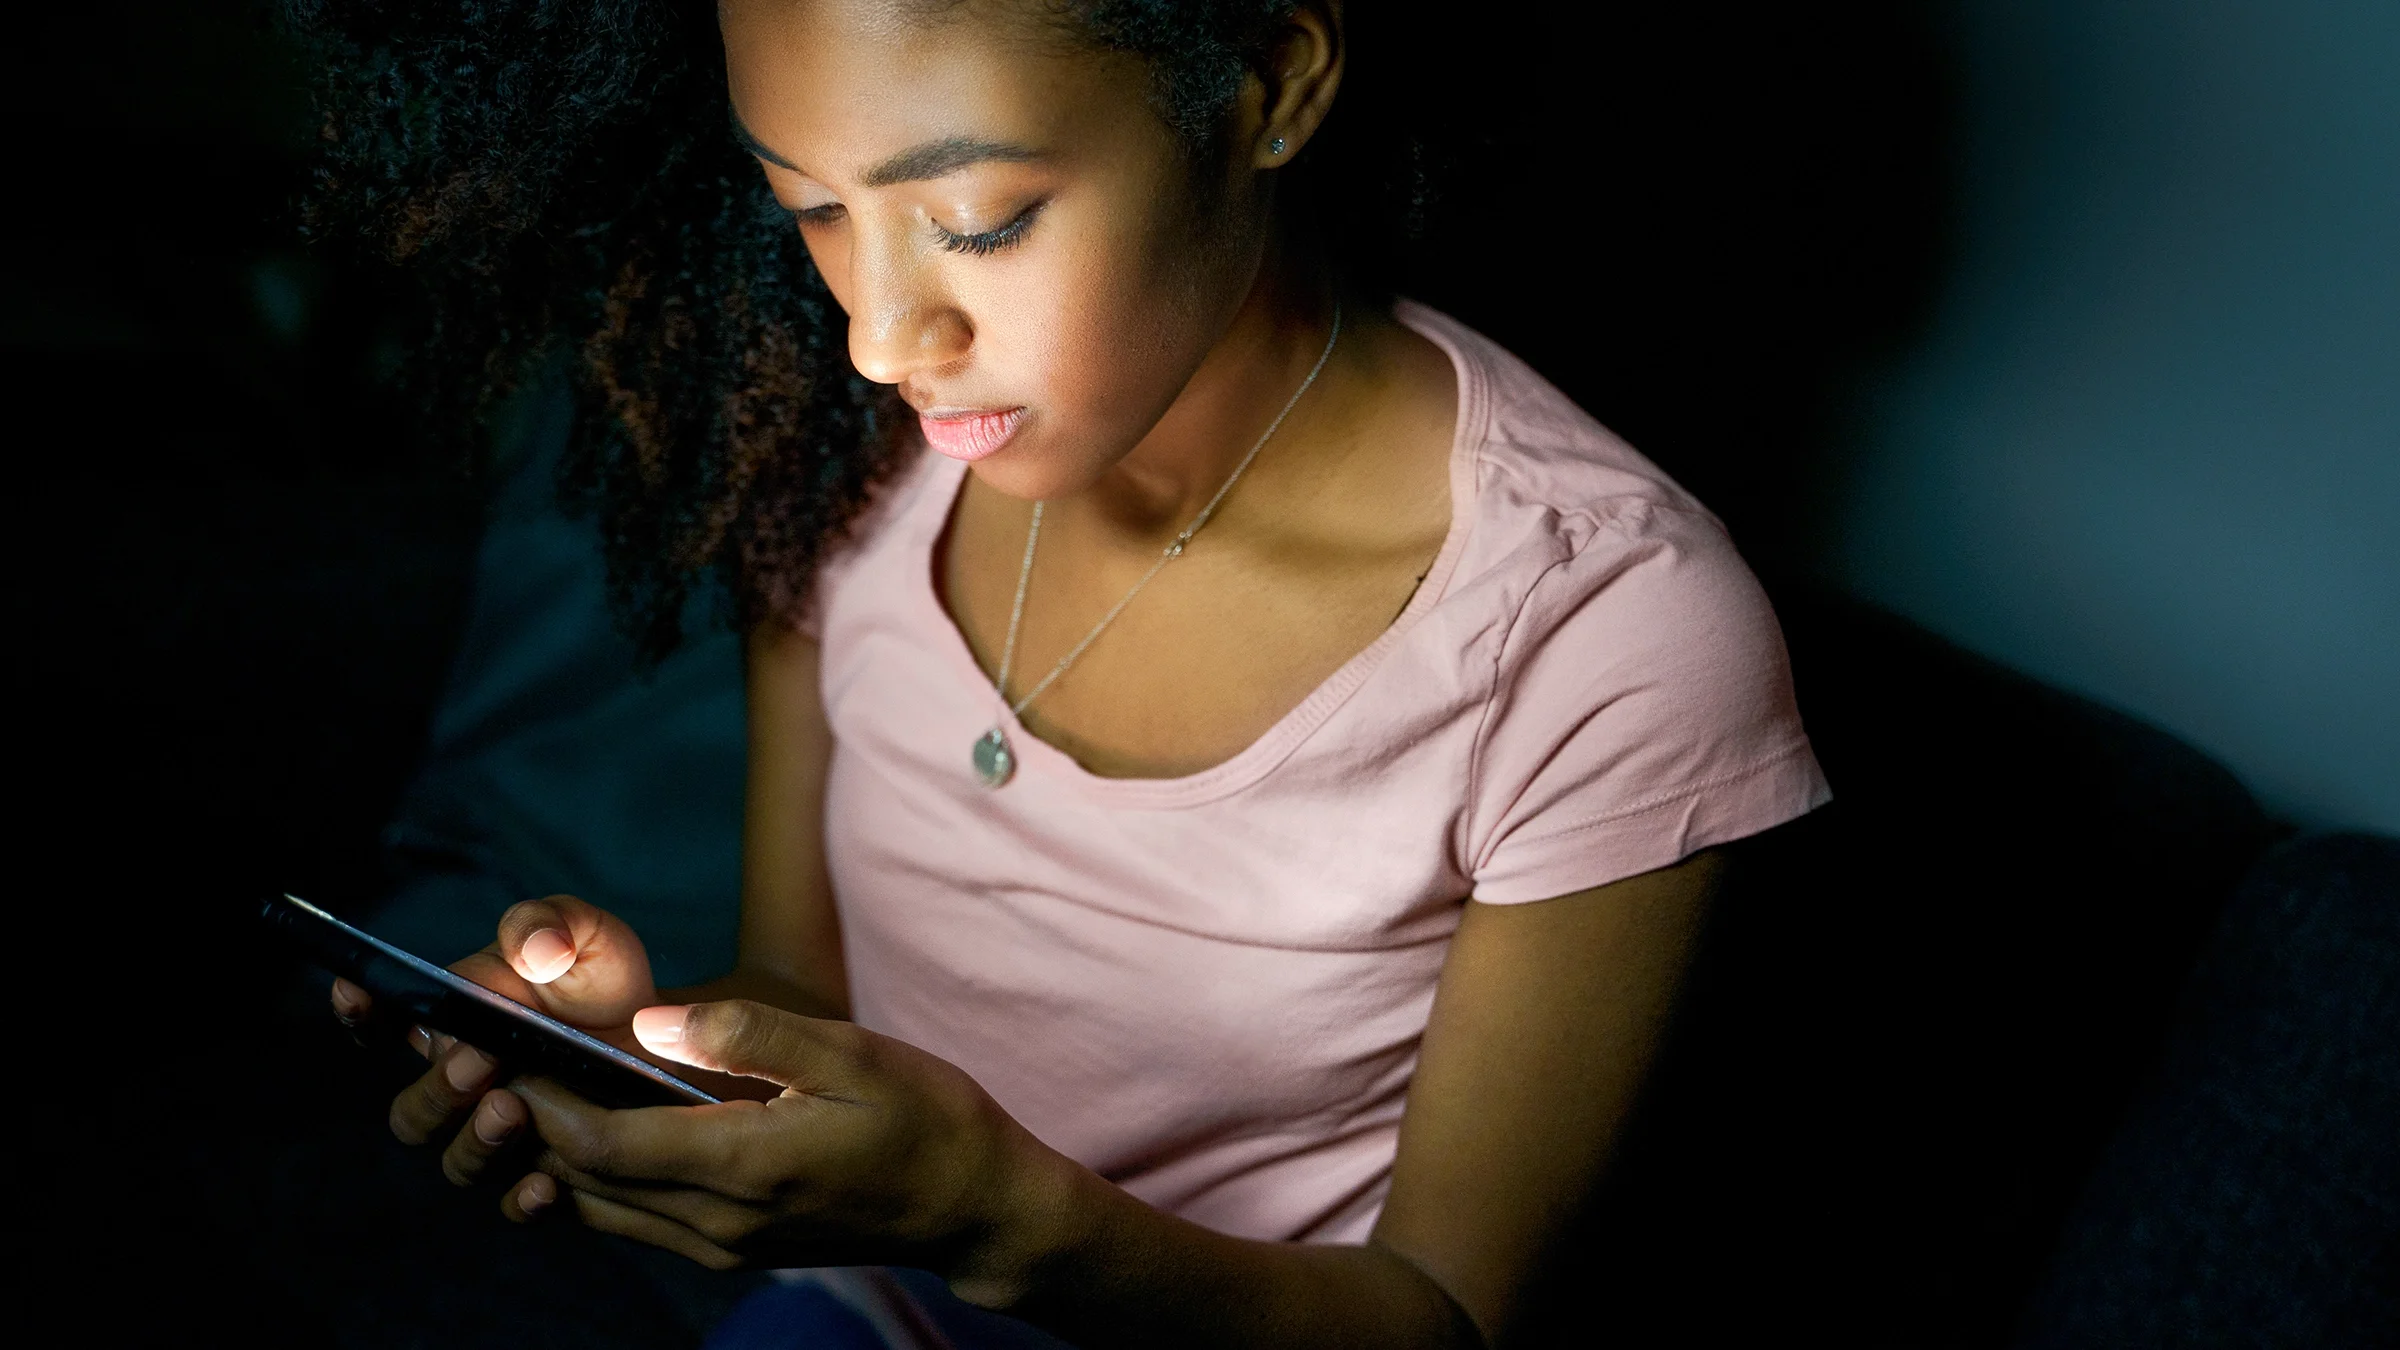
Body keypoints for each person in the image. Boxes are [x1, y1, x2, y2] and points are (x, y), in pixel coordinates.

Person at [311, 2, 1829, 1344]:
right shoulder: (840, 473)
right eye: (811, 210)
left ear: (1271, 86)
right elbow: (802, 985)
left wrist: (1004, 1217)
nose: (880, 338)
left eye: (975, 217)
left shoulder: (1605, 633)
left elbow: (1442, 1315)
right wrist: (642, 1045)